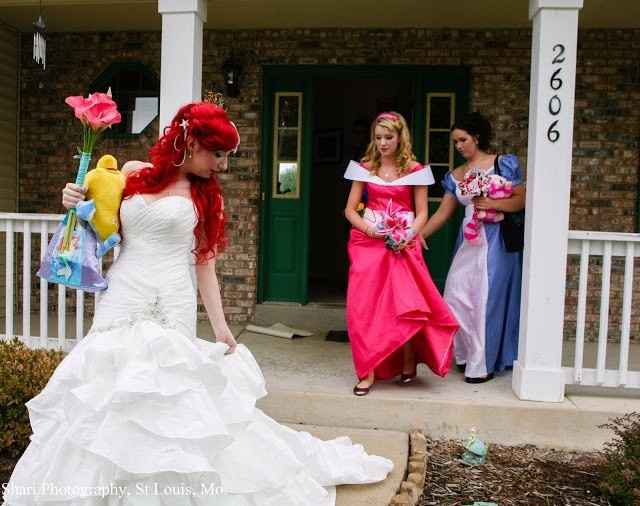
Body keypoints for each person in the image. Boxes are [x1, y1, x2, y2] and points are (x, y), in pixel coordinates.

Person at [3, 102, 392, 505]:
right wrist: (74, 203)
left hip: (172, 296)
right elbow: (102, 224)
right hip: (124, 292)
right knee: (109, 385)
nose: (222, 166)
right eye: (218, 154)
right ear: (189, 142)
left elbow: (205, 264)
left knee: (169, 393)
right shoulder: (133, 174)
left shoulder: (207, 198)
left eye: (227, 157)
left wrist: (221, 327)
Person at [343, 111, 459, 396]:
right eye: (378, 137)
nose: (382, 143)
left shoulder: (415, 170)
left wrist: (406, 235)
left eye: (388, 137)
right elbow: (349, 210)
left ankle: (408, 361)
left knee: (404, 305)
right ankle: (366, 370)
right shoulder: (365, 167)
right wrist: (370, 229)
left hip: (402, 245)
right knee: (363, 307)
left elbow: (422, 213)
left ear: (400, 137)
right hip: (368, 244)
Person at [420, 112, 525, 383]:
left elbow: (520, 200)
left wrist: (494, 204)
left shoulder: (503, 164)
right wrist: (417, 237)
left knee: (486, 301)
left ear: (476, 137)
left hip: (497, 242)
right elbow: (442, 214)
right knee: (454, 296)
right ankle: (465, 354)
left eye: (462, 140)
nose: (459, 147)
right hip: (468, 242)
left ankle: (483, 364)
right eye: (455, 142)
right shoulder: (455, 175)